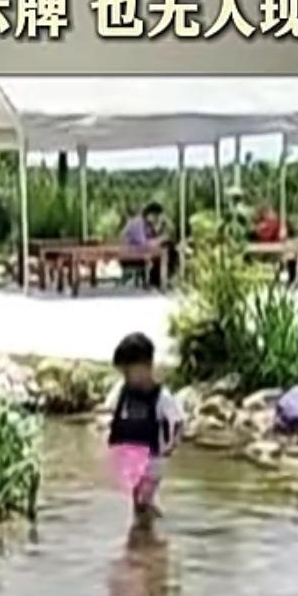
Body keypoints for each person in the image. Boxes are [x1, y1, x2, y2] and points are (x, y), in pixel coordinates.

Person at [106, 331, 184, 524]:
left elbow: (178, 423)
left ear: (147, 366)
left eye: (128, 371)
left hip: (154, 457)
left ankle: (152, 530)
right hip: (131, 453)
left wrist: (169, 448)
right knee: (138, 500)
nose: (125, 377)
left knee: (143, 499)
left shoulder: (162, 397)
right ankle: (147, 530)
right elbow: (109, 410)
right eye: (123, 372)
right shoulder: (122, 391)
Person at [122, 201, 172, 289]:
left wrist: (160, 227)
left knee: (169, 249)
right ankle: (157, 281)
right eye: (155, 216)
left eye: (158, 217)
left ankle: (160, 280)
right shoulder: (138, 223)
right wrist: (161, 239)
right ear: (150, 214)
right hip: (128, 256)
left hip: (139, 254)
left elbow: (153, 238)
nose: (156, 219)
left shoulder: (148, 224)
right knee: (160, 254)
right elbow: (144, 244)